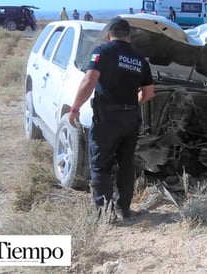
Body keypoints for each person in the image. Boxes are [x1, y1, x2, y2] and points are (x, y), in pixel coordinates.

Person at [69, 17, 155, 220]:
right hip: (130, 119)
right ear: (129, 37)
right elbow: (149, 94)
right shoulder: (140, 60)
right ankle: (123, 210)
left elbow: (89, 81)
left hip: (107, 119)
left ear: (108, 35)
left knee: (101, 166)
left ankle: (104, 214)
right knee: (126, 166)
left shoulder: (103, 51)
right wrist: (133, 104)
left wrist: (74, 109)